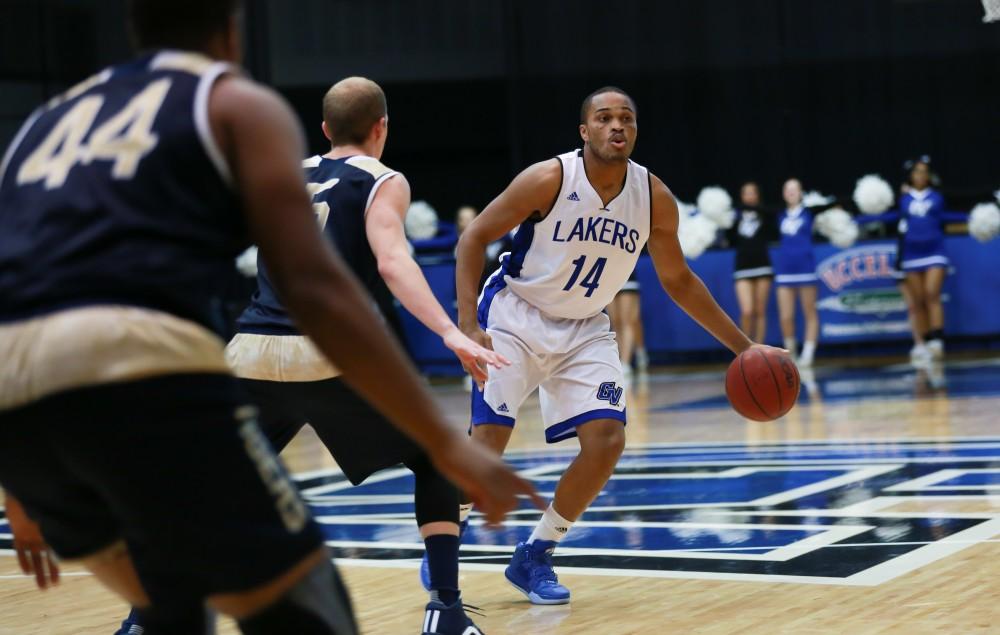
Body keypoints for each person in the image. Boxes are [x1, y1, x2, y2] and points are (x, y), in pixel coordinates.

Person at [0, 2, 536, 633]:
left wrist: (15, 476)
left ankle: (139, 620)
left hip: (28, 393)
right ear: (231, 33)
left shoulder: (47, 118)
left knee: (172, 582)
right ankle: (445, 610)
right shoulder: (235, 106)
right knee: (330, 579)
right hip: (158, 359)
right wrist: (449, 398)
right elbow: (332, 280)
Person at [454, 86, 777, 605]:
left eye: (625, 118)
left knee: (606, 441)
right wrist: (467, 327)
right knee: (489, 441)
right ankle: (444, 544)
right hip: (516, 314)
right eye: (604, 118)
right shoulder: (549, 178)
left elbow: (679, 280)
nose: (616, 126)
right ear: (585, 132)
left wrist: (744, 348)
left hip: (584, 327)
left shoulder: (653, 196)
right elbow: (472, 239)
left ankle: (535, 555)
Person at [223, 76, 516, 635]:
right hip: (324, 351)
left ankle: (144, 619)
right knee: (439, 459)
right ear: (382, 128)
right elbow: (392, 261)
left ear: (326, 129)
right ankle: (446, 612)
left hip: (250, 348)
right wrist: (452, 332)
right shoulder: (383, 179)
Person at [873, 158, 964, 362]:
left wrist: (972, 218)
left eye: (924, 172)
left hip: (934, 251)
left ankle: (938, 340)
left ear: (929, 176)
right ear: (911, 176)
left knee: (932, 293)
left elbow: (946, 217)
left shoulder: (937, 197)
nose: (920, 176)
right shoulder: (904, 199)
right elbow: (893, 218)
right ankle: (925, 341)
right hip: (911, 254)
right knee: (918, 300)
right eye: (917, 172)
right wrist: (862, 219)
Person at [773, 178, 819, 367]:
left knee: (809, 312)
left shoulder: (809, 213)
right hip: (785, 270)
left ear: (801, 193)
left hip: (806, 268)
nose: (791, 192)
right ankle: (790, 354)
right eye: (788, 189)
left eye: (795, 189)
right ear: (784, 194)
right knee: (785, 316)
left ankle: (808, 354)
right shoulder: (779, 215)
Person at [728, 181, 775, 344]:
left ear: (757, 195)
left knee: (760, 310)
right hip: (742, 267)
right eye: (745, 193)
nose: (749, 196)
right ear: (741, 196)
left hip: (762, 266)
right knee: (747, 310)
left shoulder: (764, 214)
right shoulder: (735, 216)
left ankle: (760, 348)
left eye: (752, 192)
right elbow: (729, 238)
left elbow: (773, 229)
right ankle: (746, 348)